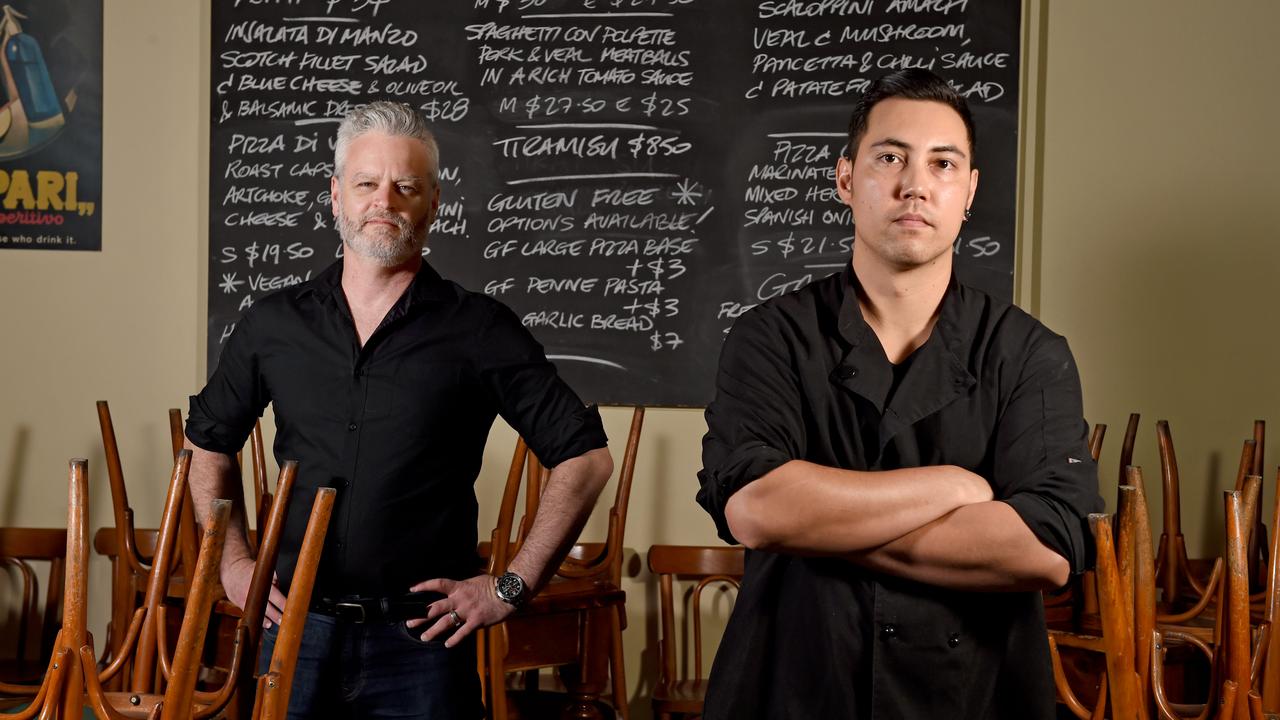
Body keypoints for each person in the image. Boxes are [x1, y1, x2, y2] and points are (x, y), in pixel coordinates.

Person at [695, 69, 1103, 719]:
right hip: (795, 681)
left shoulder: (1029, 352)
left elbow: (1048, 547)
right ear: (846, 178)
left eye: (943, 163)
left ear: (968, 191)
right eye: (890, 157)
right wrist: (952, 488)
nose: (915, 183)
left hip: (975, 690)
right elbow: (756, 509)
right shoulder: (769, 336)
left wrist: (821, 524)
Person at [185, 101, 614, 718]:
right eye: (366, 183)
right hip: (295, 633)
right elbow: (208, 444)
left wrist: (511, 586)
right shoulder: (273, 324)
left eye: (405, 186)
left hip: (424, 644)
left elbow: (586, 460)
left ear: (432, 202)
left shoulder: (481, 329)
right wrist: (230, 561)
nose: (383, 200)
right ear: (336, 196)